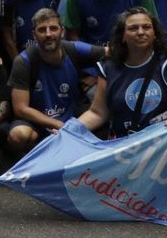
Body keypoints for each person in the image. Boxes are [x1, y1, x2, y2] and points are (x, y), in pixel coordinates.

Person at [79, 8, 167, 139]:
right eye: (133, 28)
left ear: (155, 33)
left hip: (166, 141)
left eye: (147, 27)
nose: (141, 32)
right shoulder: (108, 67)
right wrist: (70, 130)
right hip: (125, 145)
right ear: (122, 36)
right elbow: (97, 113)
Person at [6, 9, 105, 154]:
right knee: (18, 135)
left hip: (72, 114)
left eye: (53, 28)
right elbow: (21, 109)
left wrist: (96, 75)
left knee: (104, 119)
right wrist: (58, 124)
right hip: (38, 121)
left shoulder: (74, 49)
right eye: (42, 30)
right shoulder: (23, 61)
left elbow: (111, 54)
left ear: (62, 31)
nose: (48, 34)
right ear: (34, 34)